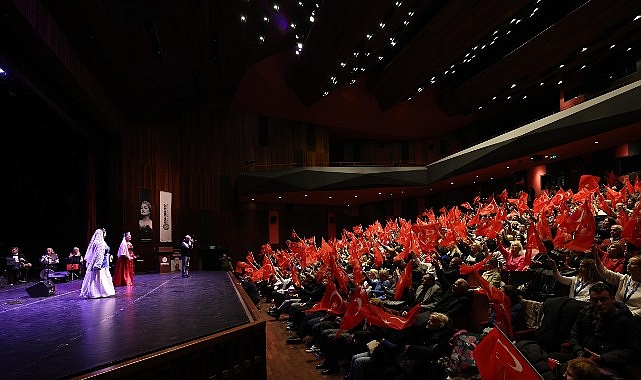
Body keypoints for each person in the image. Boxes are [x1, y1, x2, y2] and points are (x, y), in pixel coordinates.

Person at [548, 281, 641, 379]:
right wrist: (579, 352)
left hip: (609, 363)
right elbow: (575, 336)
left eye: (603, 299)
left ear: (613, 299)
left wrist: (602, 358)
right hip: (582, 358)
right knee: (550, 359)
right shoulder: (585, 313)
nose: (599, 303)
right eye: (595, 300)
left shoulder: (627, 320)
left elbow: (632, 351)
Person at [80, 228, 115, 299]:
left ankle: (103, 292)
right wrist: (97, 264)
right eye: (104, 233)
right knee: (98, 278)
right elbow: (98, 254)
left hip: (104, 263)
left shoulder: (102, 242)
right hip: (100, 264)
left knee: (102, 278)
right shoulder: (99, 243)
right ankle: (96, 292)